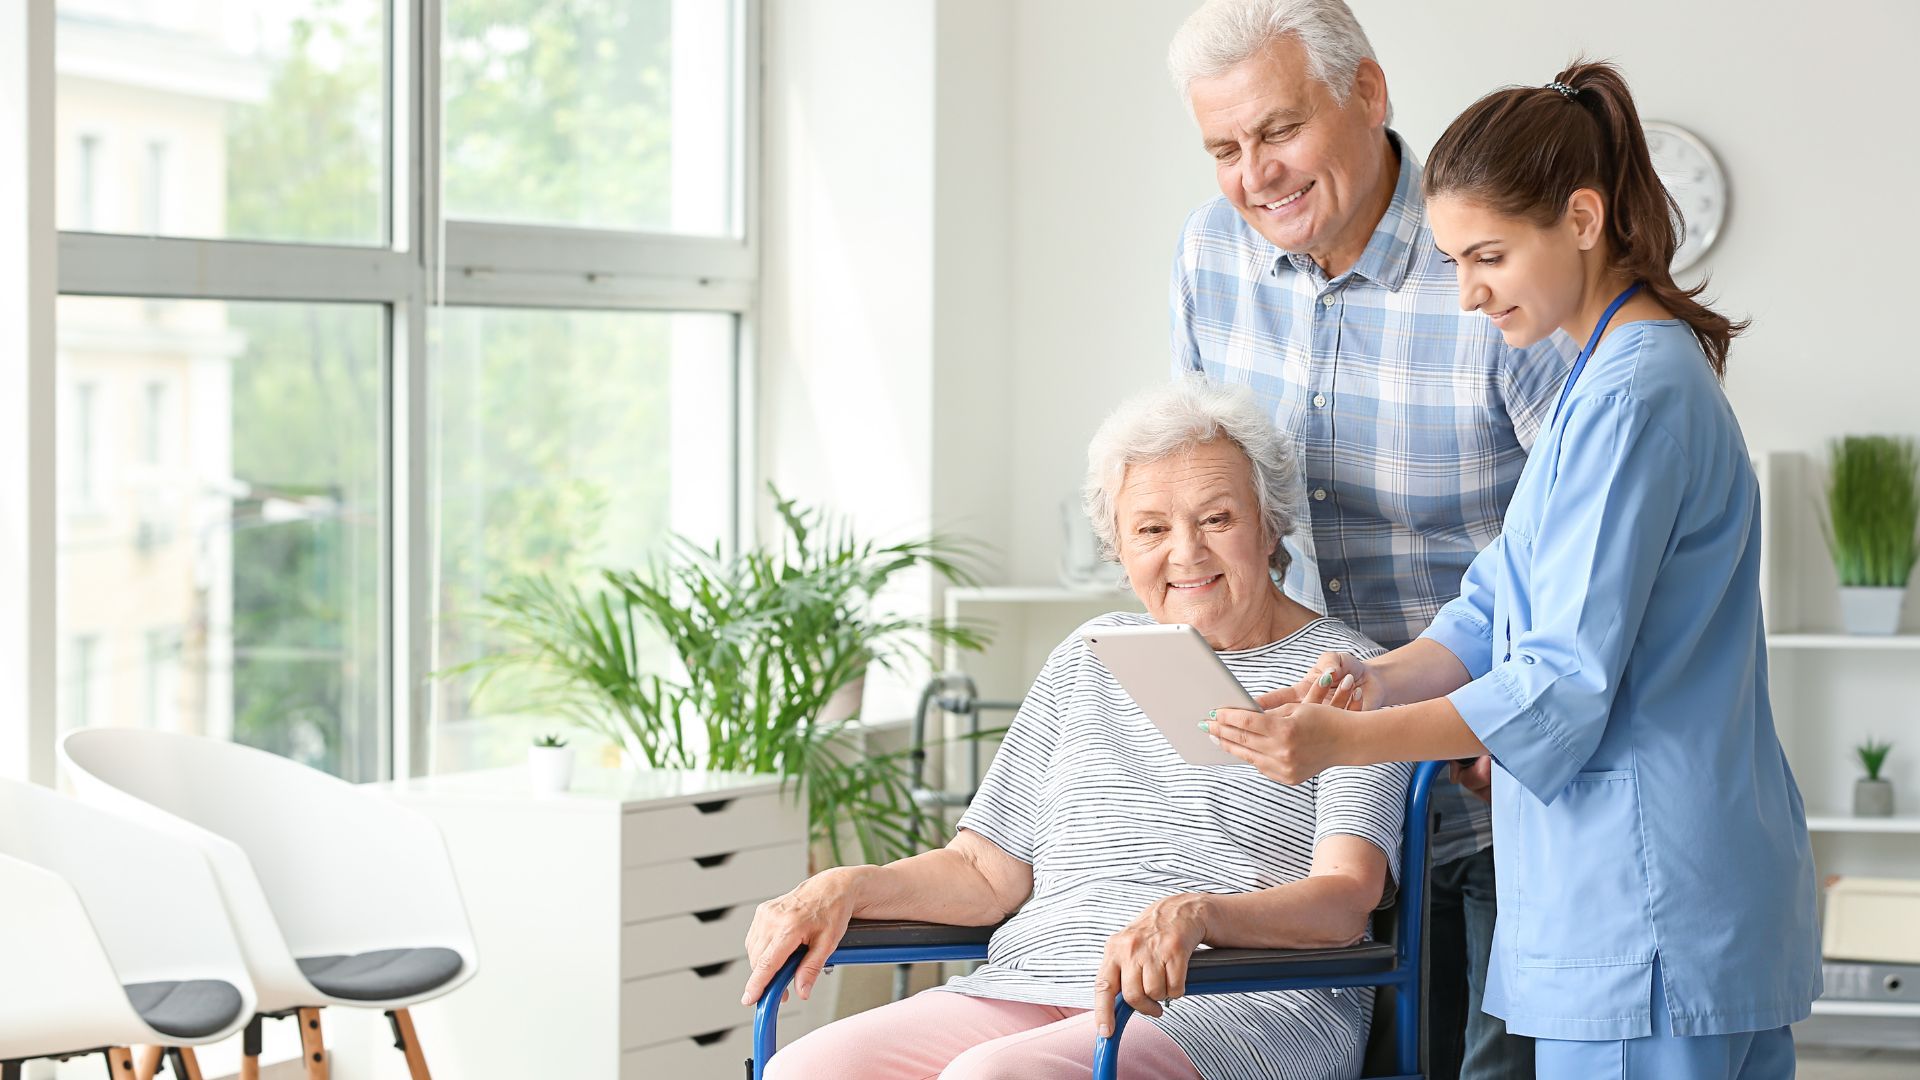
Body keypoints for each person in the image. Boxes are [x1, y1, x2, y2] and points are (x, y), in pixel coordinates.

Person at [1204, 60, 1820, 1080]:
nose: (1470, 291)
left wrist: (1347, 741)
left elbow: (1554, 684)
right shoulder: (1606, 379)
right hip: (1672, 904)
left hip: (1645, 908)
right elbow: (1496, 602)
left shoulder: (1632, 397)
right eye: (1451, 260)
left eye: (1488, 255)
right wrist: (1375, 677)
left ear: (1581, 219)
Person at [743, 378, 1411, 1080]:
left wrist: (1198, 916)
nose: (1185, 553)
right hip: (1033, 983)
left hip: (1235, 1000)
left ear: (1269, 524)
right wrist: (847, 886)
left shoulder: (1346, 676)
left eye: (1216, 519)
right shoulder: (1092, 655)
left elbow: (1343, 901)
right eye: (1151, 528)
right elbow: (983, 871)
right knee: (808, 1069)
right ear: (1118, 546)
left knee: (992, 1077)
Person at [1166, 3, 1574, 1075]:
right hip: (1317, 801)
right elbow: (1212, 499)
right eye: (1224, 148)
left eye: (1278, 131)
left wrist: (1494, 709)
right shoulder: (1211, 259)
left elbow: (1574, 534)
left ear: (1370, 95)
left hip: (1490, 782)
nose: (1257, 175)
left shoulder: (1487, 260)